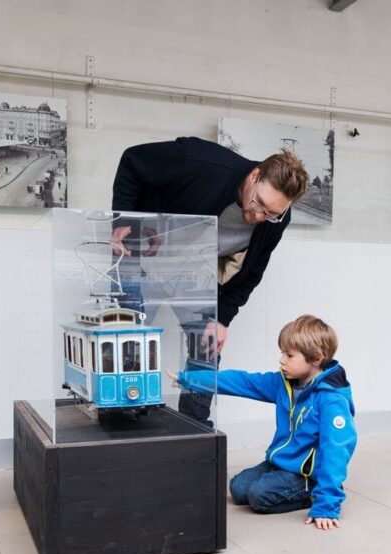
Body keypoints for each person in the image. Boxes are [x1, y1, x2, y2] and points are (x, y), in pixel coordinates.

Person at [111, 137, 309, 357]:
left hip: (194, 275)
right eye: (259, 203)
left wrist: (222, 319)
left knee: (207, 352)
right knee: (125, 350)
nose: (258, 216)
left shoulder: (277, 219)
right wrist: (123, 222)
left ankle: (197, 393)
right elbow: (133, 160)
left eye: (271, 213)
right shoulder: (199, 161)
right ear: (254, 176)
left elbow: (253, 273)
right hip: (141, 258)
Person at [172, 315, 357, 530]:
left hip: (306, 473)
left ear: (315, 359)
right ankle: (284, 480)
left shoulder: (332, 400)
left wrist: (327, 505)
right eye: (282, 353)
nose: (282, 360)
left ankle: (313, 491)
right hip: (280, 462)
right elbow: (243, 382)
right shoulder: (284, 382)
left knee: (259, 497)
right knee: (238, 488)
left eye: (289, 355)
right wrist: (189, 379)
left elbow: (336, 451)